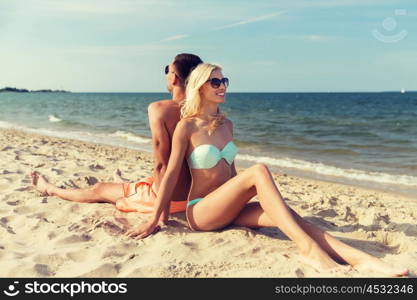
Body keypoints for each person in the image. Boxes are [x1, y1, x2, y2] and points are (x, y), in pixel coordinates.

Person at [126, 63, 409, 276]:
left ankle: (362, 259)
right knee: (259, 170)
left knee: (291, 217)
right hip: (201, 212)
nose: (222, 85)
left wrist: (254, 205)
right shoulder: (187, 126)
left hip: (230, 207)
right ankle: (308, 250)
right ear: (200, 87)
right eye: (215, 81)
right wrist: (154, 219)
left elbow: (231, 173)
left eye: (224, 80)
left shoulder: (226, 124)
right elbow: (172, 172)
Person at [31, 53, 203, 224]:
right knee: (142, 182)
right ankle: (124, 184)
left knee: (98, 189)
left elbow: (162, 165)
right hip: (197, 197)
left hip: (168, 200)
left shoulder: (160, 109)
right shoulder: (208, 112)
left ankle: (49, 189)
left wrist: (161, 217)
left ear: (174, 78)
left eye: (167, 70)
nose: (166, 74)